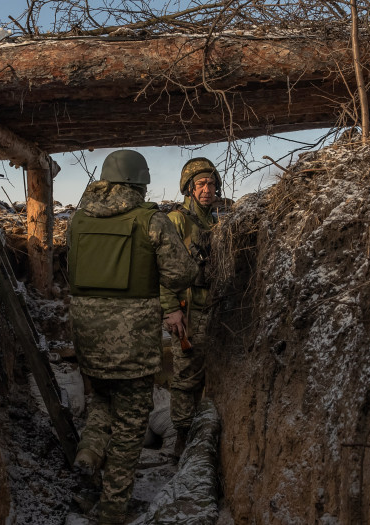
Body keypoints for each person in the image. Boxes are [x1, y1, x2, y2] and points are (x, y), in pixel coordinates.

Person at [68, 150, 197, 524]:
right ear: (140, 182)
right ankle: (112, 509)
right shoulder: (150, 221)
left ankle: (89, 453)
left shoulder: (77, 220)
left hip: (88, 337)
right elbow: (180, 275)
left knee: (103, 403)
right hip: (132, 342)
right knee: (130, 424)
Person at [160, 157, 220, 458]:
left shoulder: (216, 221)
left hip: (215, 308)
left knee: (213, 374)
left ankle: (203, 439)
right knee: (185, 379)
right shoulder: (176, 221)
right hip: (188, 311)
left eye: (211, 183)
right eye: (201, 184)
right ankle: (180, 442)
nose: (207, 189)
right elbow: (162, 269)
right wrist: (171, 309)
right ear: (189, 189)